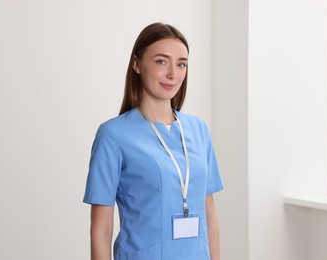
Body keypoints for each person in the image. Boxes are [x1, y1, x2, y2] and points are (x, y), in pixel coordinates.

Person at [83, 22, 223, 260]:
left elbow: (209, 213)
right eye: (161, 61)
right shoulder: (113, 135)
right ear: (137, 64)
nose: (173, 74)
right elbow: (101, 230)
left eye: (181, 64)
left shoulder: (199, 130)